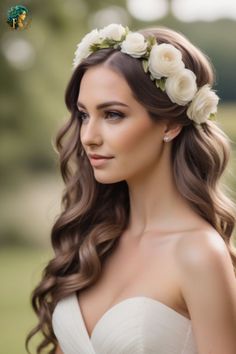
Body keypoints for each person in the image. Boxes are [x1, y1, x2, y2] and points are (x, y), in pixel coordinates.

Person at [26, 24, 236, 354]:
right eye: (84, 115)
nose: (88, 136)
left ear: (169, 124)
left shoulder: (198, 254)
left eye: (112, 114)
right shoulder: (94, 241)